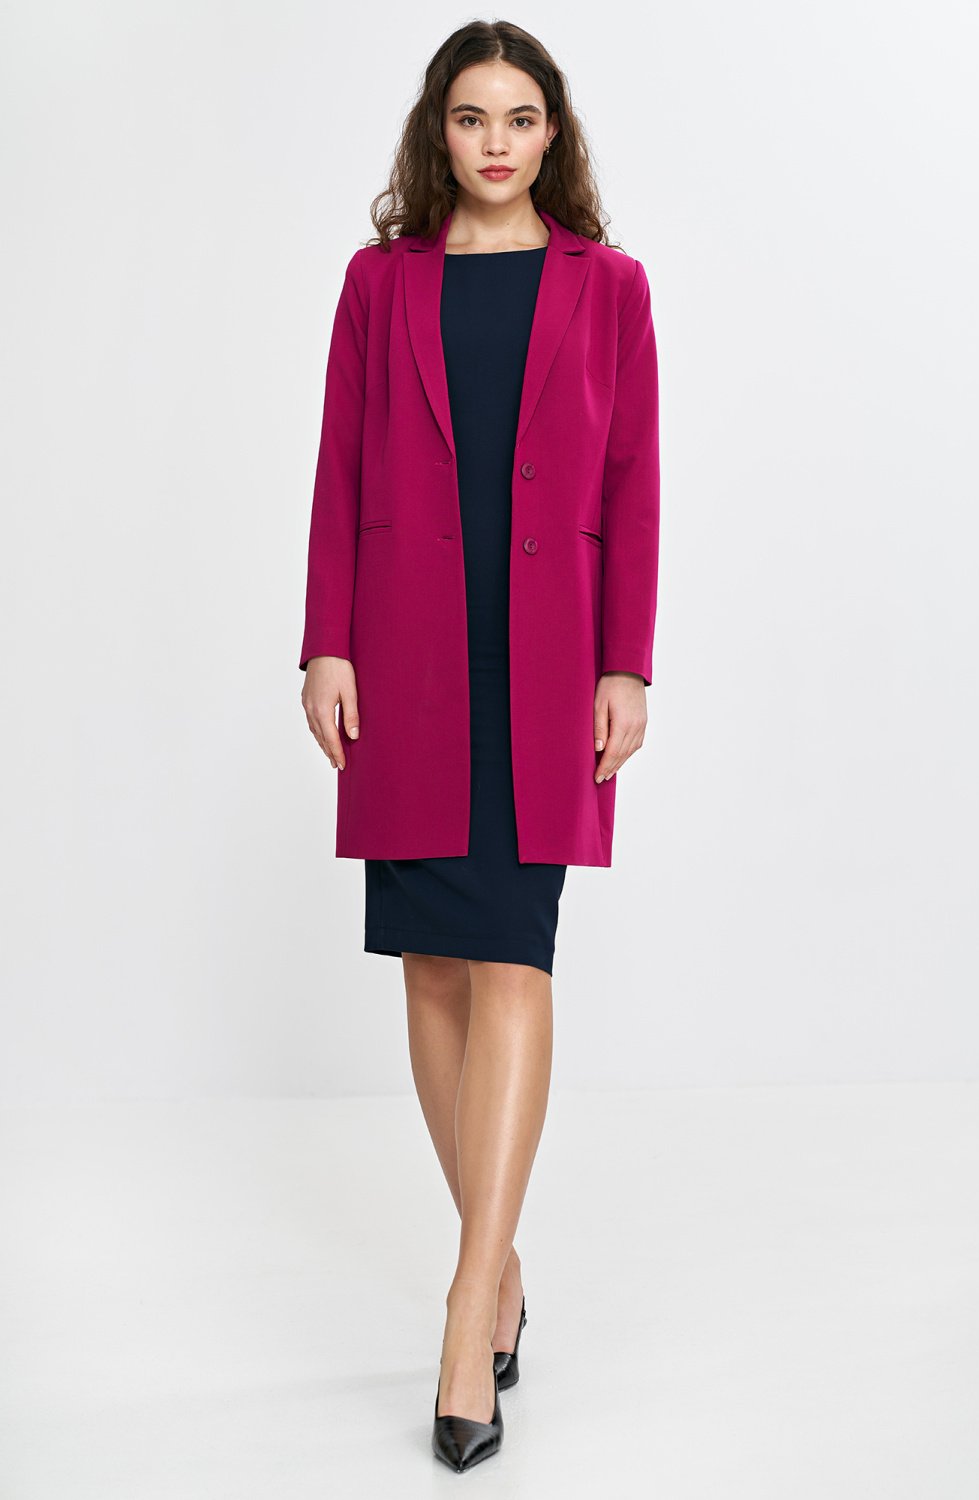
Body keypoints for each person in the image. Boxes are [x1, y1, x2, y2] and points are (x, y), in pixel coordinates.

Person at [299, 20, 659, 1473]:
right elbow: (338, 464)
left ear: (552, 132)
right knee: (434, 965)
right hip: (406, 648)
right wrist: (326, 641)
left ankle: (464, 1313)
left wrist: (627, 661)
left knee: (515, 952)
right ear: (437, 133)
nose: (495, 142)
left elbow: (633, 480)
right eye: (470, 118)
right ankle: (500, 1262)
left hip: (548, 657)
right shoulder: (379, 282)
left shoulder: (611, 287)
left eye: (519, 118)